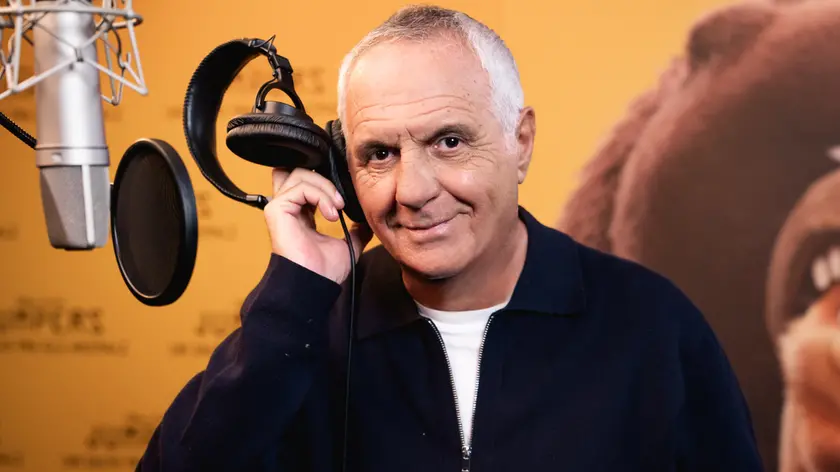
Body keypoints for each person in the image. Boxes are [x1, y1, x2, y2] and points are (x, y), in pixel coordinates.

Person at [137, 5, 763, 472]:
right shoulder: (301, 330)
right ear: (340, 171)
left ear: (520, 142)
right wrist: (293, 296)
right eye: (379, 153)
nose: (412, 190)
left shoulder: (653, 325)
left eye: (449, 141)